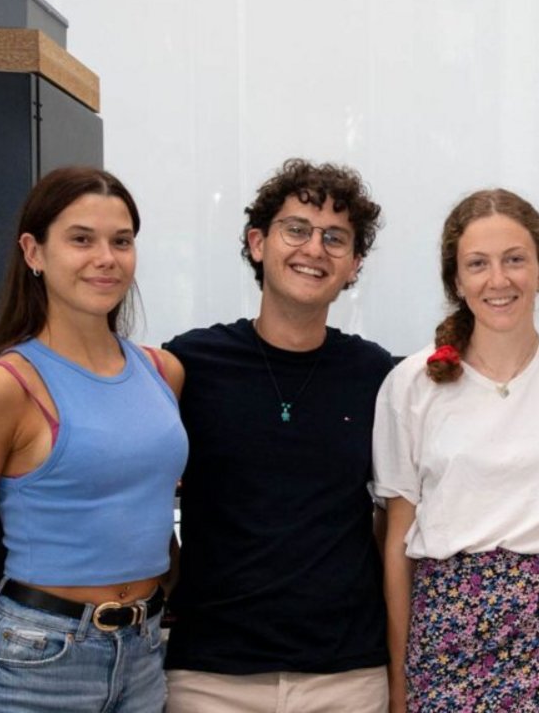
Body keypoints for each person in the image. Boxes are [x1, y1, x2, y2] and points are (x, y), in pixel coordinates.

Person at [0, 167, 188, 713]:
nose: (105, 258)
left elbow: (148, 513)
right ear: (34, 252)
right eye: (81, 239)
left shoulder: (164, 373)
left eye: (122, 241)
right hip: (32, 663)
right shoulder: (3, 387)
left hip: (142, 655)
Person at [162, 159, 393, 712]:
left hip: (347, 676)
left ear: (354, 265)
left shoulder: (377, 375)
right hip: (209, 676)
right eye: (297, 229)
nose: (314, 249)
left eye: (335, 238)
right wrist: (179, 582)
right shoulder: (189, 364)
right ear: (258, 242)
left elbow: (395, 515)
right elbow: (136, 495)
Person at [374, 189, 539, 712]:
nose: (498, 280)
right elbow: (397, 541)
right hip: (445, 633)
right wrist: (399, 681)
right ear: (457, 281)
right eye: (478, 264)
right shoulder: (411, 384)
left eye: (515, 260)